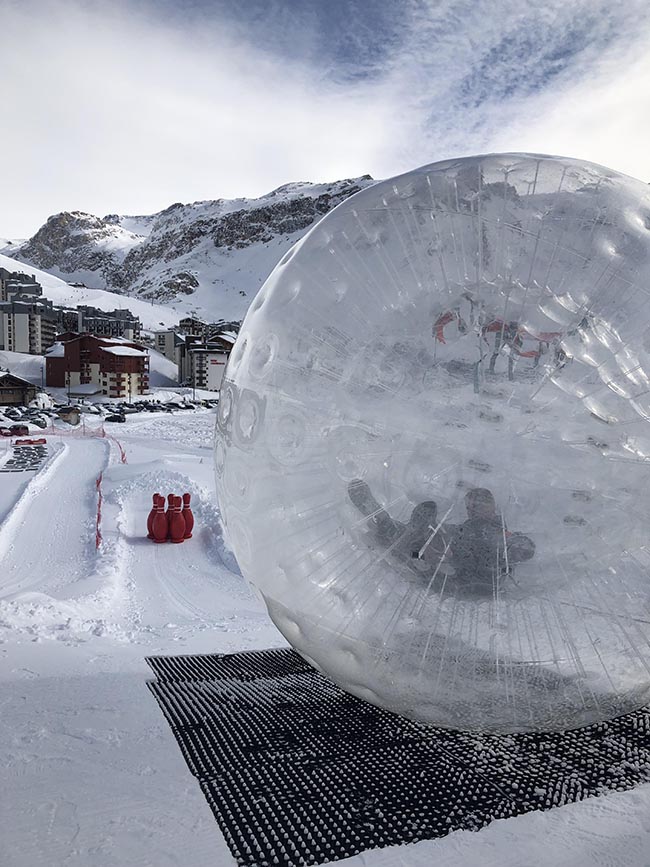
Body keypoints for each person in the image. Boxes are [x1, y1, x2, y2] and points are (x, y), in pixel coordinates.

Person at [347, 479, 450, 577]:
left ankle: (368, 505)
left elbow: (418, 557)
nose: (418, 517)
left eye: (423, 516)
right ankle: (368, 504)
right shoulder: (416, 534)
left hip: (396, 547)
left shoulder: (435, 543)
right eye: (418, 513)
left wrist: (417, 559)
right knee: (386, 522)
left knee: (386, 523)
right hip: (397, 539)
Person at [450, 487, 534, 595]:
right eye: (468, 508)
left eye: (476, 506)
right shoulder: (467, 528)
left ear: (490, 507)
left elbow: (526, 549)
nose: (471, 512)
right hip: (463, 586)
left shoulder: (498, 532)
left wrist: (513, 545)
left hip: (485, 589)